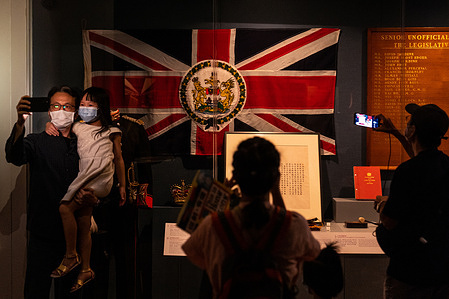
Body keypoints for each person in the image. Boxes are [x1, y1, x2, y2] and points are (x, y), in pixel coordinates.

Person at [182, 137, 321, 298]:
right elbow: (312, 253)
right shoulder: (295, 225)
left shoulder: (212, 226)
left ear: (235, 176)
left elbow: (198, 256)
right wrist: (276, 191)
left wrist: (221, 195)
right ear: (275, 177)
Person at [5, 86, 98, 298]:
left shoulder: (86, 144)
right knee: (36, 291)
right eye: (56, 106)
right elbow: (14, 156)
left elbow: (102, 176)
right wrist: (20, 123)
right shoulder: (37, 141)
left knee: (71, 293)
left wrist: (95, 199)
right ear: (49, 110)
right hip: (43, 234)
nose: (61, 110)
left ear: (75, 111)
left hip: (75, 238)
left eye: (67, 106)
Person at [48, 87, 126, 292]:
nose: (84, 108)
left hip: (98, 176)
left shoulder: (112, 131)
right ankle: (86, 268)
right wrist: (49, 123)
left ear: (100, 108)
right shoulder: (78, 127)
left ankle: (71, 255)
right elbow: (62, 127)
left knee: (65, 208)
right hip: (86, 176)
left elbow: (119, 158)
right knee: (84, 221)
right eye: (82, 105)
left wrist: (123, 185)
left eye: (89, 105)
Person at [375, 103, 449, 298]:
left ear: (413, 130)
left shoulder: (407, 171)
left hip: (409, 273)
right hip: (441, 270)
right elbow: (425, 163)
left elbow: (389, 222)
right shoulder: (444, 165)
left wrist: (383, 205)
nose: (406, 125)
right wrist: (398, 134)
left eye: (408, 123)